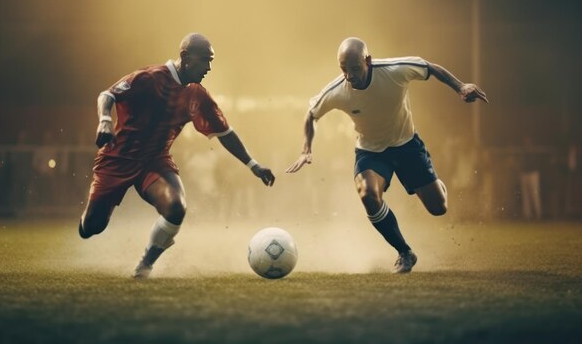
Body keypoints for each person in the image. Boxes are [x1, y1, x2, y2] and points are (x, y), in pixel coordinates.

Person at [79, 33, 275, 278]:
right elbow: (107, 95)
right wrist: (105, 121)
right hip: (117, 159)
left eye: (211, 61)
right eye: (205, 60)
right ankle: (90, 220)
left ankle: (145, 265)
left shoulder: (197, 95)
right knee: (91, 228)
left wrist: (253, 165)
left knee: (176, 207)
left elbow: (225, 132)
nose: (208, 68)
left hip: (154, 161)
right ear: (185, 57)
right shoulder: (150, 78)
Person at [286, 37, 487, 273]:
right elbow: (311, 114)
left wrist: (460, 86)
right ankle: (405, 252)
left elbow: (429, 67)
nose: (349, 76)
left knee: (438, 207)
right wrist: (306, 149)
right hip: (370, 152)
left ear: (368, 61)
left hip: (407, 146)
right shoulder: (337, 90)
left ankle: (434, 184)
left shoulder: (394, 70)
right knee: (367, 194)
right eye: (343, 69)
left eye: (354, 68)